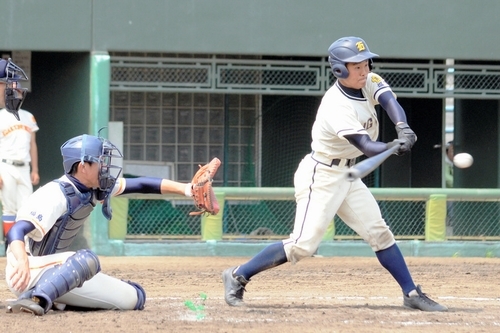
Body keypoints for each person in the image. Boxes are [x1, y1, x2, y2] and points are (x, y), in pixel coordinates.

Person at [222, 36, 447, 312]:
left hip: (349, 174)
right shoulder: (335, 105)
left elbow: (388, 101)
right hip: (322, 175)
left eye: (366, 63)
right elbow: (365, 145)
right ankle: (237, 276)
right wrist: (390, 147)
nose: (364, 70)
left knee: (379, 232)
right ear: (340, 69)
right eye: (356, 66)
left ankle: (411, 293)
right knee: (303, 245)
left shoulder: (369, 80)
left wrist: (403, 128)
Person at [5, 133, 202, 316]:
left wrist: (187, 189)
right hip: (27, 270)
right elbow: (16, 230)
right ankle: (33, 299)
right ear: (83, 166)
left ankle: (55, 297)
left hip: (56, 270)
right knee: (87, 259)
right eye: (100, 161)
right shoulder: (54, 194)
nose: (105, 167)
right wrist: (22, 262)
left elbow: (142, 184)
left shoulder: (94, 187)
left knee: (133, 297)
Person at [0, 62, 40, 239]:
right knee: (9, 208)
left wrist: (35, 170)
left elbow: (33, 144)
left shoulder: (28, 116)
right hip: (5, 165)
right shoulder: (1, 116)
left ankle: (23, 245)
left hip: (24, 166)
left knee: (26, 208)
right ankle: (11, 246)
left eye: (18, 91)